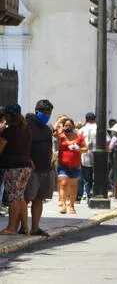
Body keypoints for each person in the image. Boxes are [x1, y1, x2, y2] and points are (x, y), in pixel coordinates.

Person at [0, 103, 33, 235]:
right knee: (20, 197)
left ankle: (11, 228)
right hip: (26, 166)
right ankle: (24, 227)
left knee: (13, 198)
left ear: (8, 115)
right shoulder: (26, 129)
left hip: (13, 167)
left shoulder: (9, 131)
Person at [23, 100, 55, 236]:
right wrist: (29, 160)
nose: (47, 115)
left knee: (39, 199)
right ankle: (23, 227)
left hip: (45, 168)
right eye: (45, 112)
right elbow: (23, 146)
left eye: (49, 113)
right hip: (32, 169)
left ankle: (35, 228)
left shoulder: (47, 128)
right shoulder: (27, 127)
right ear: (37, 111)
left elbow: (49, 147)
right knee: (26, 199)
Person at [54, 117, 87, 214]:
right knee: (63, 184)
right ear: (63, 127)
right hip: (63, 164)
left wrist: (78, 150)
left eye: (70, 125)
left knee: (73, 186)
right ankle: (64, 206)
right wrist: (60, 120)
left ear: (73, 126)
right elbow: (53, 131)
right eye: (66, 125)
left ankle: (72, 206)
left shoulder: (79, 136)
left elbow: (85, 148)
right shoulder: (61, 135)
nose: (68, 127)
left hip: (75, 165)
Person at [78, 112, 97, 201]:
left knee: (86, 176)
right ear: (94, 119)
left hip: (84, 156)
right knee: (96, 176)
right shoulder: (98, 128)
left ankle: (87, 193)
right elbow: (107, 141)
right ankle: (94, 192)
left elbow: (77, 142)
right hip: (97, 156)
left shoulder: (81, 130)